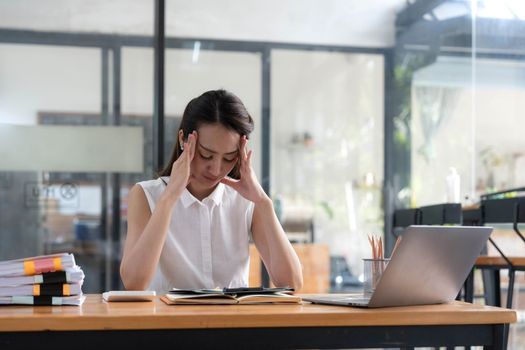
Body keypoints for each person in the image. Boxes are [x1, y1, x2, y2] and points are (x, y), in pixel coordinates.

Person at [120, 89, 303, 293]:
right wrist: (169, 197)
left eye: (228, 158)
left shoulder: (246, 201)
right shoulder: (146, 195)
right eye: (206, 155)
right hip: (167, 324)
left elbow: (292, 284)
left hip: (232, 323)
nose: (216, 169)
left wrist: (264, 203)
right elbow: (134, 283)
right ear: (184, 140)